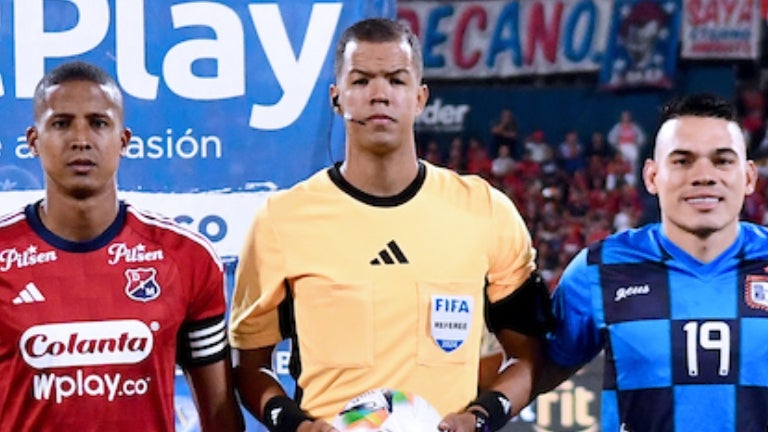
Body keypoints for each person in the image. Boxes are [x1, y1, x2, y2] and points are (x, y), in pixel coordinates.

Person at [228, 17, 551, 432]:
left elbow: (527, 355)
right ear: (337, 98)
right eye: (361, 81)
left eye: (396, 81)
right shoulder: (281, 221)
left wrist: (481, 417)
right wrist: (297, 426)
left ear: (419, 98)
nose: (379, 94)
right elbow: (251, 367)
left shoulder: (486, 211)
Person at [0, 61, 243, 431]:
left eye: (98, 123)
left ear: (123, 141)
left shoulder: (186, 258)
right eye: (61, 123)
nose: (81, 139)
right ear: (34, 141)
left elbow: (221, 417)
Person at [534, 93, 768, 431]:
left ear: (748, 178)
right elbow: (537, 369)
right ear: (651, 176)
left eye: (722, 161)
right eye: (683, 161)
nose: (704, 175)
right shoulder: (600, 269)